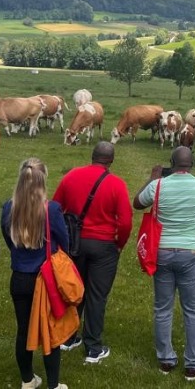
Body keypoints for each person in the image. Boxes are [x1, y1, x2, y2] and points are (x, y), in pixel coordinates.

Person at [133, 146, 195, 381]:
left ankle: (166, 359)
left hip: (162, 251)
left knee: (162, 307)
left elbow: (137, 203)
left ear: (172, 163)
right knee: (193, 310)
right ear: (190, 164)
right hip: (190, 251)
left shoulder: (158, 185)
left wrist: (153, 178)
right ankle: (193, 364)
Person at [52, 141, 133, 363]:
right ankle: (93, 347)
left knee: (73, 291)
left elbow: (55, 207)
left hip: (75, 243)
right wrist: (119, 244)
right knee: (97, 296)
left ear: (92, 156)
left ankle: (68, 338)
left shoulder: (71, 176)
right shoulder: (117, 184)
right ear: (111, 161)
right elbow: (125, 221)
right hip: (104, 245)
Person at [1, 158, 70, 389]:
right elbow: (64, 242)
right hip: (45, 278)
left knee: (23, 330)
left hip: (19, 277)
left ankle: (28, 380)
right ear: (44, 180)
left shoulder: (8, 208)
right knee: (51, 331)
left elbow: (8, 240)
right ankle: (53, 384)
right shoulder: (51, 209)